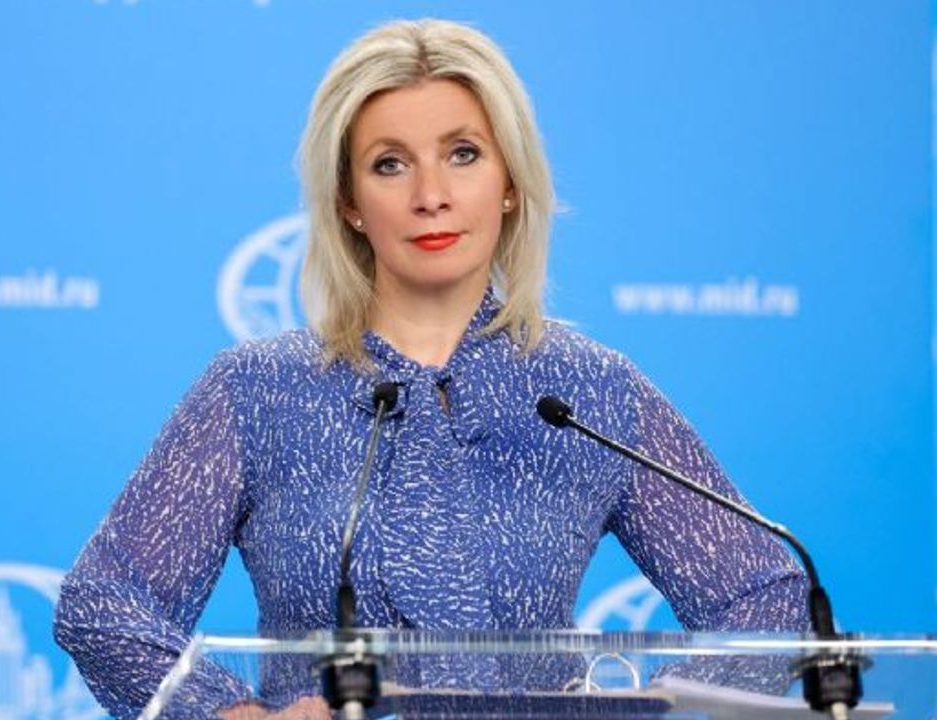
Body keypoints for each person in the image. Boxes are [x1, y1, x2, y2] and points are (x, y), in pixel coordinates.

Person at [54, 18, 808, 720]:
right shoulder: (258, 391)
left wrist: (654, 710)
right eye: (390, 164)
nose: (431, 197)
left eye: (463, 154)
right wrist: (234, 716)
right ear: (349, 201)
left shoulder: (588, 389)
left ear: (510, 182)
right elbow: (103, 605)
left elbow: (765, 597)